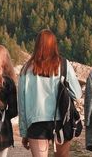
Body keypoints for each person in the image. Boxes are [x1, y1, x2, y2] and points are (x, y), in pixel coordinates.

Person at [18, 29, 82, 157]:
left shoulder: (26, 69)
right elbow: (77, 94)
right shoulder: (63, 64)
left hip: (36, 123)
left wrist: (24, 132)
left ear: (37, 45)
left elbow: (22, 104)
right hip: (61, 120)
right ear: (54, 45)